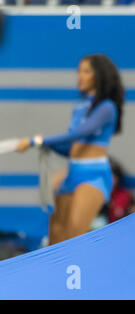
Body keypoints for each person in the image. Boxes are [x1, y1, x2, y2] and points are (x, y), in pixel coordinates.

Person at [16, 54, 125, 244]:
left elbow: (79, 133)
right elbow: (70, 148)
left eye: (86, 71)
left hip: (93, 177)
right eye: (79, 71)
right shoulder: (80, 106)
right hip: (72, 174)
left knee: (75, 236)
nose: (80, 77)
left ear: (99, 75)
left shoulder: (106, 108)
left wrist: (37, 141)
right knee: (56, 237)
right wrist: (46, 146)